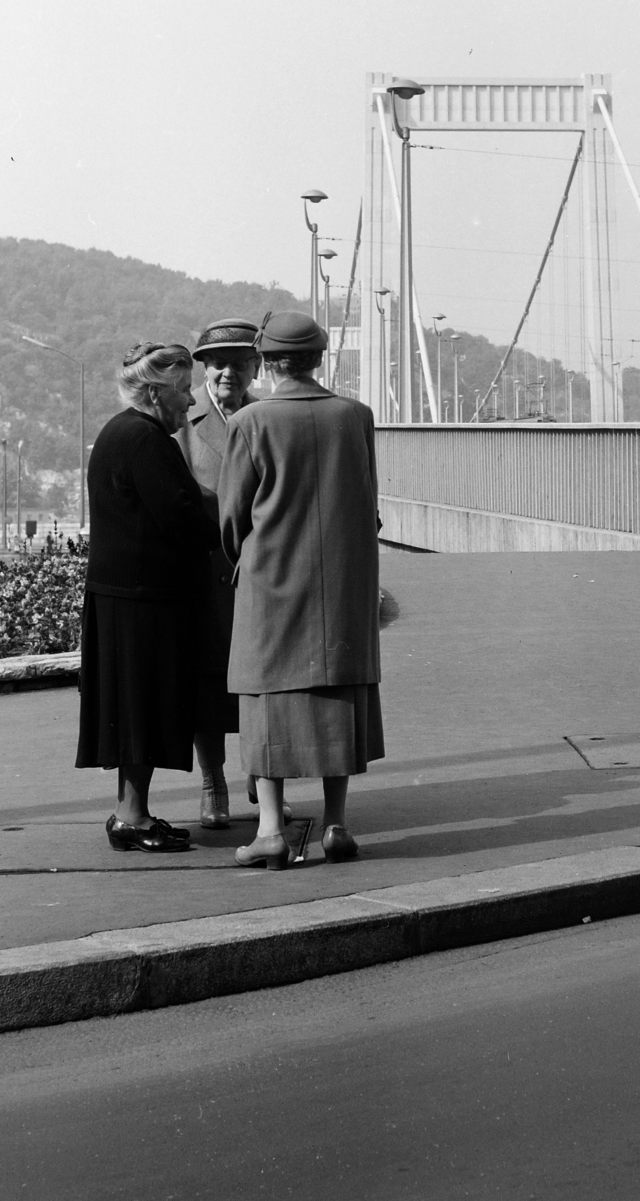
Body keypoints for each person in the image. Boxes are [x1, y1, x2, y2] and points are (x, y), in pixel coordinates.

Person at [219, 311, 383, 870]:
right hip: (342, 584)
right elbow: (367, 502)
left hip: (270, 580)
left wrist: (250, 560)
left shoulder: (250, 421)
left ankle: (270, 830)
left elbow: (231, 519)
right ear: (319, 358)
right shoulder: (356, 416)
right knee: (337, 694)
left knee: (266, 700)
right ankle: (336, 824)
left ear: (266, 362)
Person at [76, 340, 218, 855]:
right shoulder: (145, 439)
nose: (191, 401)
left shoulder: (123, 431)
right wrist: (231, 528)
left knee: (135, 710)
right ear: (157, 394)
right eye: (184, 390)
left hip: (127, 598)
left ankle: (131, 813)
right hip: (143, 603)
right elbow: (181, 519)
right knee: (144, 710)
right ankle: (131, 818)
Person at [177, 318, 262, 829]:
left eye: (240, 363)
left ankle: (263, 779)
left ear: (256, 366)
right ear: (205, 367)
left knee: (261, 682)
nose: (229, 372)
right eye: (219, 363)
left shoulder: (268, 415)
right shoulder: (182, 419)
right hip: (206, 574)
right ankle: (213, 784)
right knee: (208, 682)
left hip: (260, 573)